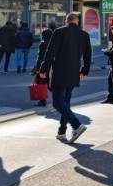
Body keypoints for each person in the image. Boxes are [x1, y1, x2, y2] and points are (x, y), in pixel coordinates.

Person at [39, 12, 91, 143]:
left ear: (67, 21)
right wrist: (85, 71)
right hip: (74, 72)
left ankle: (76, 125)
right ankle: (61, 132)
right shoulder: (84, 35)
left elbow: (50, 52)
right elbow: (87, 55)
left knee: (57, 102)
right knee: (65, 102)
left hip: (60, 72)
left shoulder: (59, 32)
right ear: (77, 21)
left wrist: (43, 69)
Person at [31, 21, 57, 106]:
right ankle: (58, 99)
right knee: (51, 84)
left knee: (41, 83)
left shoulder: (42, 44)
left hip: (43, 66)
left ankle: (42, 101)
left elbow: (40, 57)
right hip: (52, 66)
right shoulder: (55, 43)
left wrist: (36, 67)